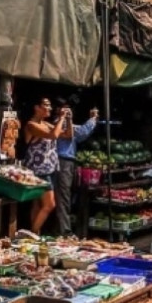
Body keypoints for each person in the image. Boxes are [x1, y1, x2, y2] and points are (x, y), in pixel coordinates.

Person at [55, 101, 99, 236]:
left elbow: (80, 132)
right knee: (63, 196)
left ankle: (61, 229)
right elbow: (80, 132)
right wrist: (92, 119)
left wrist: (92, 119)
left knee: (62, 196)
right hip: (62, 162)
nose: (68, 112)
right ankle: (65, 231)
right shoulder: (60, 124)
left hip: (66, 163)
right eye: (65, 109)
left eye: (69, 109)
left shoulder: (66, 124)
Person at [23, 96, 64, 234]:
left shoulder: (46, 124)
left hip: (49, 168)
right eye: (46, 105)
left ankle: (36, 231)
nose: (50, 108)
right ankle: (33, 232)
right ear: (37, 108)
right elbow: (54, 135)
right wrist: (62, 118)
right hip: (39, 169)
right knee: (49, 204)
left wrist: (68, 119)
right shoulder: (31, 125)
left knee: (37, 204)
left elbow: (67, 134)